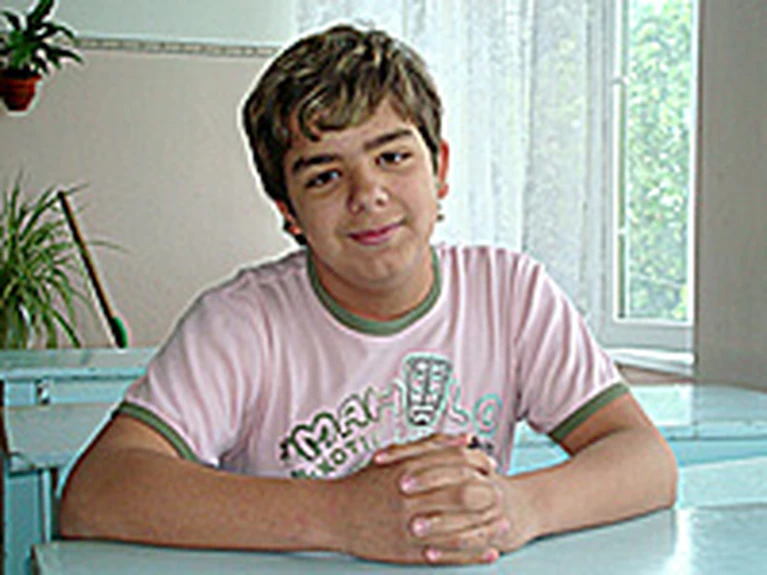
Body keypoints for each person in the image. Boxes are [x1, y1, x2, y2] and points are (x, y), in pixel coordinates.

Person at [59, 24, 677, 566]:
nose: (367, 194)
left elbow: (646, 459)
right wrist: (342, 516)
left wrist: (519, 507)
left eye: (393, 156)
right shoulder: (241, 321)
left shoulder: (509, 292)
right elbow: (95, 495)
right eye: (325, 176)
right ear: (288, 211)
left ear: (439, 168)